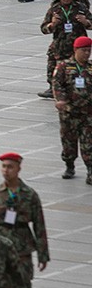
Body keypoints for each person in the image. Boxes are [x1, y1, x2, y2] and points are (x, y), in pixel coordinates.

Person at [0, 153, 49, 288]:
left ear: (19, 169)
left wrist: (43, 254)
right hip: (0, 250)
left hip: (22, 249)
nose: (6, 170)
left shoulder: (30, 195)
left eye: (10, 167)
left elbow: (39, 225)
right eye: (3, 167)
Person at [39, 0, 92, 98]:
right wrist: (52, 25)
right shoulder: (54, 10)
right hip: (60, 45)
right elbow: (43, 28)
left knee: (78, 69)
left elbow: (90, 23)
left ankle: (79, 90)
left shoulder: (80, 7)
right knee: (55, 67)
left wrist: (86, 22)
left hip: (78, 46)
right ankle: (53, 88)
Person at [52, 36, 92, 182]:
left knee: (89, 143)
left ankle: (90, 170)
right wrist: (61, 100)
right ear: (76, 50)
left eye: (89, 50)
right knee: (69, 142)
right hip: (69, 113)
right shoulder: (63, 66)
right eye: (84, 50)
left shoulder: (90, 67)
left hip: (88, 113)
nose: (87, 54)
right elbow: (57, 84)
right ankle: (69, 165)